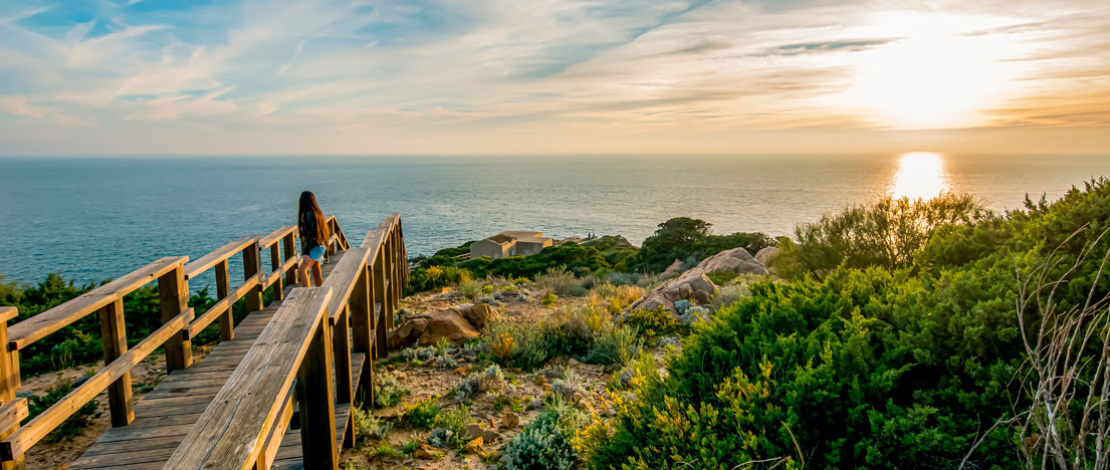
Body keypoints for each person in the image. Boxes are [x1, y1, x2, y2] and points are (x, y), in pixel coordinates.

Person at [297, 191, 331, 287]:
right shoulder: (317, 213)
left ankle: (307, 296)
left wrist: (306, 252)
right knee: (316, 272)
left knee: (302, 270)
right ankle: (320, 293)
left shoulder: (309, 214)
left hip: (315, 247)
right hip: (319, 245)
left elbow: (312, 234)